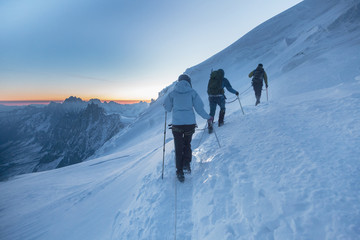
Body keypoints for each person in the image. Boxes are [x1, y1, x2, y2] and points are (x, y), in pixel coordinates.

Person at [164, 74, 213, 182]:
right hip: (189, 124)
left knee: (178, 147)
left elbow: (167, 108)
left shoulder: (172, 93)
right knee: (187, 143)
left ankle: (179, 171)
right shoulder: (192, 93)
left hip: (177, 125)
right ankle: (186, 164)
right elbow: (199, 108)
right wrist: (208, 117)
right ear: (188, 82)